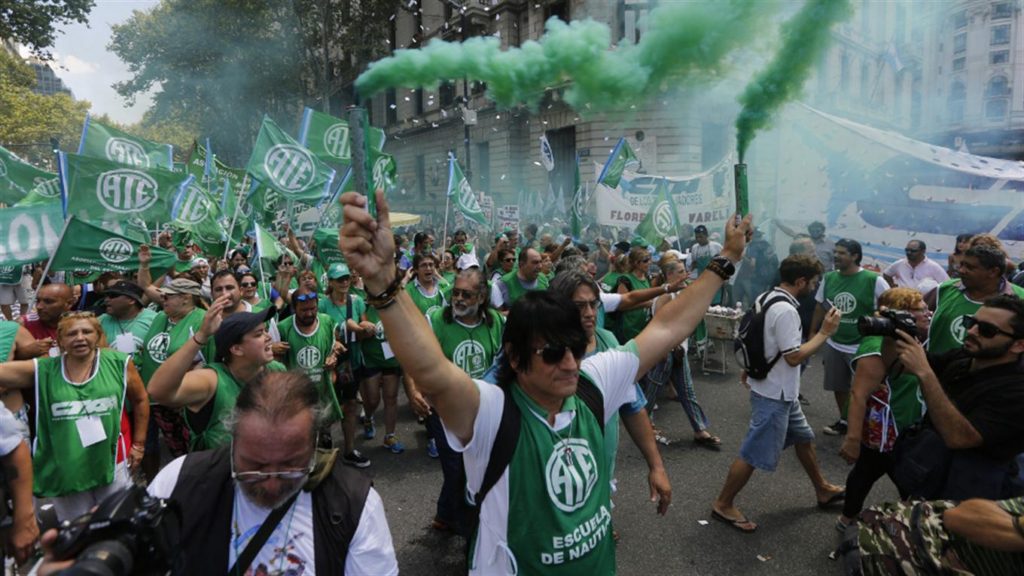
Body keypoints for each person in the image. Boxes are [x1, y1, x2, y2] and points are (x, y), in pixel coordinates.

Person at [338, 189, 747, 574]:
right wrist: (383, 281)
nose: (570, 363)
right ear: (515, 358)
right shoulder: (490, 412)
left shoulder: (592, 380)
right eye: (551, 353)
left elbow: (669, 327)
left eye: (574, 347)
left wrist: (725, 258)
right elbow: (430, 368)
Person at [122, 371, 396, 575]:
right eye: (254, 466)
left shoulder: (354, 503)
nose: (272, 483)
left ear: (314, 445)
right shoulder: (180, 480)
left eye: (291, 466)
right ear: (233, 440)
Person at [711, 255, 846, 533]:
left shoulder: (768, 296)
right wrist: (825, 333)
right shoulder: (787, 310)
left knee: (804, 438)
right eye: (813, 282)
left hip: (781, 391)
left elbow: (757, 336)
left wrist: (751, 367)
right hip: (774, 393)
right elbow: (794, 356)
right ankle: (723, 504)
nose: (814, 286)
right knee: (752, 453)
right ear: (800, 281)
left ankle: (822, 489)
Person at [0, 311, 149, 521]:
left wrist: (139, 444)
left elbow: (141, 399)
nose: (80, 338)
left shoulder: (119, 363)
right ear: (60, 340)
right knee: (77, 530)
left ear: (97, 335)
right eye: (71, 334)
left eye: (86, 331)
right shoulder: (44, 369)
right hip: (66, 464)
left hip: (111, 459)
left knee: (118, 523)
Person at [890, 294, 1024, 501]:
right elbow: (899, 364)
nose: (971, 332)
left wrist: (925, 374)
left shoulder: (1016, 390)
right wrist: (893, 334)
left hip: (971, 493)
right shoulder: (966, 357)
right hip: (930, 470)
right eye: (971, 322)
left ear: (1018, 345)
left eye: (987, 330)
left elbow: (959, 437)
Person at [416, 267, 505, 535]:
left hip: (483, 409)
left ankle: (445, 514)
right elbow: (417, 359)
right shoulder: (437, 321)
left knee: (478, 468)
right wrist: (414, 390)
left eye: (466, 294)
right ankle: (469, 530)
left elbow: (500, 361)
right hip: (444, 411)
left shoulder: (495, 322)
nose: (459, 299)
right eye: (455, 293)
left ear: (481, 297)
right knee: (455, 468)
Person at [837, 287, 930, 531]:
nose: (928, 313)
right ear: (903, 315)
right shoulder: (877, 345)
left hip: (904, 426)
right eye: (920, 310)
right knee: (903, 478)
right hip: (887, 432)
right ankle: (907, 527)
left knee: (867, 472)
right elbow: (858, 395)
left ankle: (848, 518)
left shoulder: (908, 338)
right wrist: (853, 440)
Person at [148, 298, 284, 451]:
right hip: (219, 471)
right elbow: (157, 390)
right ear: (237, 349)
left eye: (265, 330)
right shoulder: (212, 380)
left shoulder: (276, 370)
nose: (269, 337)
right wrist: (201, 336)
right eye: (259, 334)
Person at [812, 239, 889, 436]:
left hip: (862, 347)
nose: (836, 256)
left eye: (842, 253)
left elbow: (888, 308)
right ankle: (845, 420)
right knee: (839, 386)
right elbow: (820, 306)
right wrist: (813, 333)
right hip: (834, 343)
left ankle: (867, 426)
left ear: (855, 256)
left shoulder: (874, 280)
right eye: (835, 252)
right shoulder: (829, 278)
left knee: (864, 391)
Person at [653, 257, 720, 448]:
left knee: (688, 392)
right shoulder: (666, 296)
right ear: (670, 275)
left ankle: (699, 430)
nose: (686, 275)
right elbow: (657, 324)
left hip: (678, 352)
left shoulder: (683, 293)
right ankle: (645, 426)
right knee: (650, 392)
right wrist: (672, 345)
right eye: (681, 272)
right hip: (664, 352)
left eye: (685, 271)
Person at [318, 263, 374, 468]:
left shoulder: (357, 301)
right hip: (331, 364)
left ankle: (349, 449)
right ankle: (324, 444)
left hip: (352, 361)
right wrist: (337, 338)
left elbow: (363, 327)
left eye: (346, 278)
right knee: (328, 405)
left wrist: (366, 329)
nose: (344, 282)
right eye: (339, 279)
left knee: (350, 405)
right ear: (330, 282)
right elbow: (320, 330)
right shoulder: (323, 304)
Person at [927, 245, 1024, 355]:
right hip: (936, 369)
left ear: (993, 272)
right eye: (961, 265)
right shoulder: (944, 289)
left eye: (970, 267)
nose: (961, 270)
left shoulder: (1020, 298)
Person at [276, 285, 342, 443]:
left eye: (313, 309)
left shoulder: (327, 322)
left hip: (323, 393)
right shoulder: (283, 328)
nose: (309, 313)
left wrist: (333, 356)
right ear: (294, 308)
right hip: (297, 399)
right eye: (304, 310)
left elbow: (335, 345)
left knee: (324, 442)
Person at [97, 280, 157, 359]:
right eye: (106, 296)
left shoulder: (154, 319)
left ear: (131, 300)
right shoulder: (100, 321)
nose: (106, 300)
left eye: (113, 296)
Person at [21, 282, 75, 356]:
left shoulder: (82, 325)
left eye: (48, 302)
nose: (39, 307)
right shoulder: (24, 324)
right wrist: (25, 352)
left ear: (69, 303)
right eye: (38, 301)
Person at [490, 247, 547, 311]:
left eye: (540, 262)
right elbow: (496, 315)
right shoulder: (503, 284)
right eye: (535, 263)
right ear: (522, 264)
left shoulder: (543, 279)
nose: (540, 266)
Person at [882, 240, 949, 292]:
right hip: (902, 301)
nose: (909, 253)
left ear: (923, 251)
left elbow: (947, 284)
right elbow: (886, 274)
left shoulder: (934, 266)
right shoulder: (900, 263)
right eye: (907, 250)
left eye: (913, 251)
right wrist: (892, 286)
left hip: (923, 303)